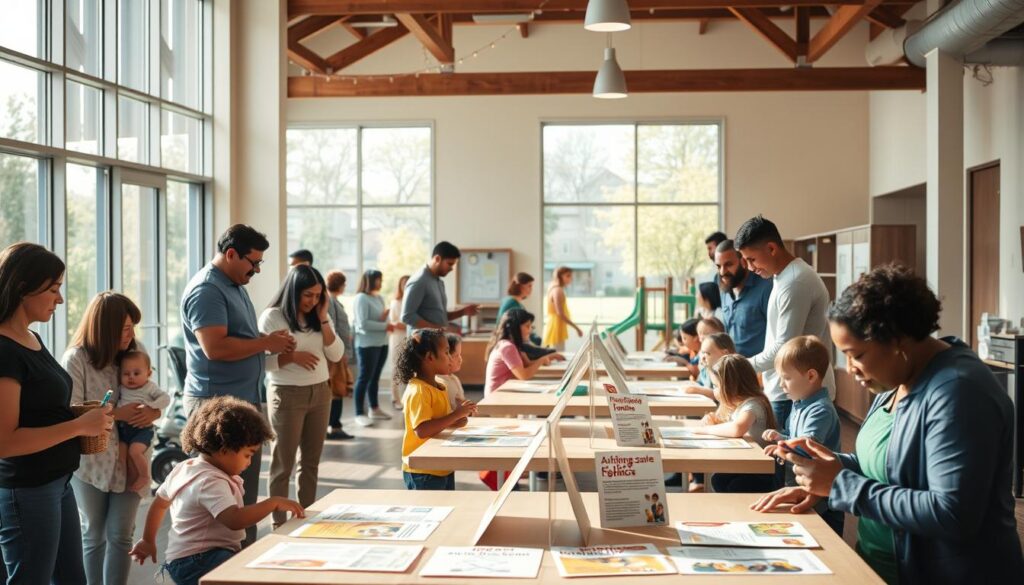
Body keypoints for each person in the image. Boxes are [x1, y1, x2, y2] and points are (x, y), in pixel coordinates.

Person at [752, 265, 1024, 584]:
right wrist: (824, 470)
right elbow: (886, 466)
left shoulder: (960, 392)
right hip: (879, 567)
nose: (850, 368)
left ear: (897, 341)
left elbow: (953, 512)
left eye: (857, 355)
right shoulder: (897, 382)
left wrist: (840, 485)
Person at [0, 243, 113, 584]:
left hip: (57, 481)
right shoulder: (5, 350)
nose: (60, 300)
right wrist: (78, 425)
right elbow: (6, 441)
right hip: (28, 488)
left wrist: (81, 420)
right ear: (23, 288)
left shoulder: (31, 337)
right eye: (53, 290)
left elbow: (40, 409)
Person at [180, 224, 296, 546]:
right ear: (231, 254)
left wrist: (267, 342)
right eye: (253, 262)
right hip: (215, 406)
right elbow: (215, 348)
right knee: (220, 506)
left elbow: (238, 339)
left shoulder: (233, 284)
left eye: (260, 264)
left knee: (242, 497)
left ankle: (240, 564)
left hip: (240, 402)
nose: (257, 270)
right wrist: (264, 344)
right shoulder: (207, 290)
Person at [129, 397, 304, 585]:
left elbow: (159, 504)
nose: (249, 462)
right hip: (200, 560)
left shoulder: (185, 468)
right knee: (246, 569)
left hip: (181, 561)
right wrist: (272, 503)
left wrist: (148, 540)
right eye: (247, 454)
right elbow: (234, 520)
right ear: (224, 448)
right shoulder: (210, 481)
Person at [62, 291, 162, 585]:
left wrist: (152, 414)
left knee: (121, 533)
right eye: (125, 328)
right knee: (93, 533)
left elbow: (152, 394)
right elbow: (72, 413)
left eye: (132, 327)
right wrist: (118, 414)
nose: (131, 335)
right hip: (91, 461)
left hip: (133, 455)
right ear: (104, 328)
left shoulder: (133, 352)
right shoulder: (76, 359)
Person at [259, 265, 343, 529]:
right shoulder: (272, 317)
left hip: (320, 393)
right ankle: (278, 524)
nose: (313, 301)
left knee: (310, 463)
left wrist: (325, 316)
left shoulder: (319, 317)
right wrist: (291, 357)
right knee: (282, 464)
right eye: (308, 295)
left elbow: (336, 354)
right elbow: (261, 363)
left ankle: (304, 519)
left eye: (318, 295)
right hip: (287, 395)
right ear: (293, 291)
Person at [734, 215, 833, 427]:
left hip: (794, 391)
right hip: (787, 387)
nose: (750, 268)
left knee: (783, 458)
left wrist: (740, 367)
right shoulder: (784, 277)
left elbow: (784, 347)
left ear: (771, 248)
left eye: (752, 259)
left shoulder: (795, 282)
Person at [760, 336, 842, 535]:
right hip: (799, 486)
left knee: (824, 541)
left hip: (821, 500)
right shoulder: (799, 404)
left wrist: (782, 446)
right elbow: (795, 436)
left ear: (811, 376)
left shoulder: (820, 410)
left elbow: (808, 444)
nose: (781, 385)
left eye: (786, 378)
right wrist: (781, 437)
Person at [396, 330, 477, 490]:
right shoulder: (419, 390)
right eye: (447, 352)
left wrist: (457, 419)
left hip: (440, 464)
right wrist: (455, 415)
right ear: (429, 357)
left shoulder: (440, 385)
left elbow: (438, 422)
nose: (450, 358)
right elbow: (422, 429)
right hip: (423, 469)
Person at [693, 354, 777, 493]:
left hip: (762, 472)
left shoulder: (754, 403)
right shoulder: (737, 404)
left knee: (732, 484)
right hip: (747, 465)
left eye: (716, 386)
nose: (714, 391)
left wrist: (706, 430)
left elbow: (737, 428)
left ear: (731, 386)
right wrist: (712, 421)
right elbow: (724, 423)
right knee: (719, 479)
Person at [116, 350, 170, 492]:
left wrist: (152, 407)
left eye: (136, 373)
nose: (131, 377)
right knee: (121, 454)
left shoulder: (149, 387)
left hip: (142, 430)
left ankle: (144, 476)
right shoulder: (121, 388)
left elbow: (165, 398)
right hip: (123, 428)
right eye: (126, 374)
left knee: (135, 452)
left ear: (149, 374)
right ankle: (125, 480)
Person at [401, 242, 479, 333]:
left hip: (436, 342)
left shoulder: (437, 281)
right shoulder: (419, 281)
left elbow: (440, 316)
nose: (452, 268)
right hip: (422, 344)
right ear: (437, 259)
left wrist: (463, 312)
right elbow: (407, 316)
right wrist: (438, 329)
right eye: (449, 264)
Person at [715, 239, 772, 358]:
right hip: (732, 368)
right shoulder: (725, 289)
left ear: (743, 262)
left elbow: (776, 337)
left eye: (728, 265)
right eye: (718, 266)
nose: (722, 272)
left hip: (758, 371)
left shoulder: (766, 288)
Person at [352, 269, 395, 427]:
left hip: (382, 343)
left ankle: (374, 408)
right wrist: (385, 325)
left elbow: (377, 319)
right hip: (367, 344)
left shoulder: (378, 297)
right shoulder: (361, 298)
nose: (381, 283)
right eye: (378, 279)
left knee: (375, 378)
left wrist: (384, 318)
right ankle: (359, 413)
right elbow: (362, 324)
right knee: (364, 378)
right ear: (370, 280)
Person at [484, 309, 561, 396]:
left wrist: (550, 357)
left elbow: (527, 364)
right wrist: (542, 360)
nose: (530, 330)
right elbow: (524, 375)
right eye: (527, 326)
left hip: (503, 391)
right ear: (515, 327)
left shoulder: (511, 344)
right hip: (496, 396)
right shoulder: (507, 347)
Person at [324, 270, 355, 440]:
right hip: (336, 355)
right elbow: (334, 328)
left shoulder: (334, 301)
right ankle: (334, 426)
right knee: (337, 389)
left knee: (337, 389)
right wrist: (340, 353)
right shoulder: (330, 301)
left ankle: (334, 425)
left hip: (340, 352)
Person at [498, 272, 556, 361]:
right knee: (548, 351)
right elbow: (517, 331)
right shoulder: (512, 303)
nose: (531, 289)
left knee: (540, 343)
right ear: (520, 286)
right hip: (513, 342)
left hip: (517, 342)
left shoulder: (515, 302)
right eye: (529, 286)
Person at [541, 266, 582, 350]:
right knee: (558, 354)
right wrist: (576, 328)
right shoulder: (557, 290)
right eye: (568, 276)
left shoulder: (553, 287)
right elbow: (560, 313)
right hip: (556, 327)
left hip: (555, 325)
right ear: (560, 276)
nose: (570, 279)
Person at [387, 275, 410, 411]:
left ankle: (406, 398)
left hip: (409, 339)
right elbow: (395, 323)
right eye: (404, 284)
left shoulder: (414, 301)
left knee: (408, 370)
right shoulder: (396, 302)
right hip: (397, 339)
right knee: (396, 369)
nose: (406, 286)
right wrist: (406, 324)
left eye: (408, 284)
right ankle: (395, 398)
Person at [436, 333, 467, 411]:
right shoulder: (441, 383)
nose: (460, 359)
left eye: (460, 355)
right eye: (456, 355)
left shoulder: (454, 378)